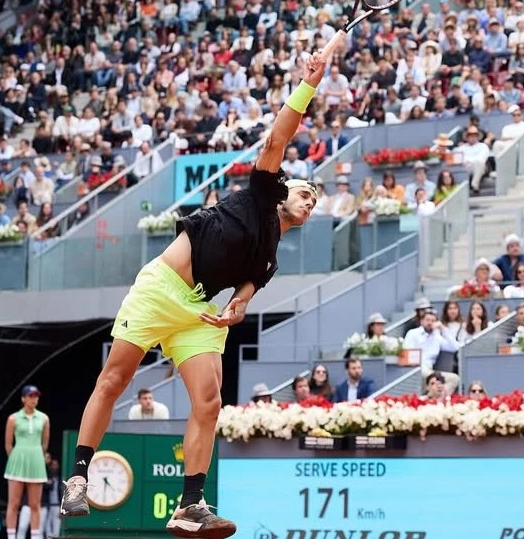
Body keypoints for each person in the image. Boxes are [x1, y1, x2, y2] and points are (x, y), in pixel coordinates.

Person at [62, 51, 329, 537]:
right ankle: (78, 478)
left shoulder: (271, 256)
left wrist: (236, 309)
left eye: (315, 201)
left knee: (209, 403)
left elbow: (248, 289)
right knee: (114, 380)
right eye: (306, 191)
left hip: (198, 313)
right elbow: (278, 136)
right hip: (160, 289)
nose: (310, 201)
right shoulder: (263, 192)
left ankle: (190, 504)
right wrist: (307, 87)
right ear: (285, 189)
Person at [5, 386, 50, 539]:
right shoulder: (13, 418)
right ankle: (11, 536)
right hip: (17, 461)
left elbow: (45, 444)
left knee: (35, 504)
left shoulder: (44, 418)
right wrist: (17, 457)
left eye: (36, 396)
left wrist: (36, 455)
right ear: (23, 398)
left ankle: (35, 536)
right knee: (14, 503)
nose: (34, 399)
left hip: (36, 462)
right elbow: (8, 445)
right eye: (30, 396)